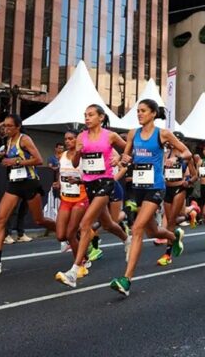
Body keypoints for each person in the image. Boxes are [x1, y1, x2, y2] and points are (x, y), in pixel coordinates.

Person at [108, 99, 188, 296]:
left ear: (153, 113)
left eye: (143, 111)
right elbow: (127, 158)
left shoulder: (162, 134)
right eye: (138, 111)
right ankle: (174, 236)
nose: (139, 114)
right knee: (153, 232)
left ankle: (126, 280)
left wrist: (174, 158)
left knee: (137, 229)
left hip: (156, 187)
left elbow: (185, 151)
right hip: (138, 186)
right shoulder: (133, 133)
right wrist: (121, 159)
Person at [56, 105, 128, 287]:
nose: (87, 118)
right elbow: (75, 162)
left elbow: (128, 148)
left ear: (101, 117)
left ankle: (74, 271)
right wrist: (79, 151)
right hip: (88, 184)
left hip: (105, 182)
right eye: (85, 115)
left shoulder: (109, 135)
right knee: (107, 223)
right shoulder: (81, 137)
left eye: (91, 115)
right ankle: (128, 239)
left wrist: (119, 159)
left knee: (85, 224)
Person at [0, 114, 57, 274]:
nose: (6, 129)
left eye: (9, 126)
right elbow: (0, 131)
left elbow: (38, 159)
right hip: (14, 183)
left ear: (18, 127)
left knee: (39, 220)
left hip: (29, 182)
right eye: (4, 126)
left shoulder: (24, 139)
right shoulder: (8, 141)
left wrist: (16, 162)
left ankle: (66, 232)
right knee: (0, 219)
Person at [52, 130, 89, 282]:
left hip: (80, 197)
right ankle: (83, 251)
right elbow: (60, 173)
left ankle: (80, 264)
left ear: (77, 140)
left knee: (70, 233)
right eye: (66, 139)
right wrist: (58, 183)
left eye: (71, 138)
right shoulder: (63, 155)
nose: (67, 141)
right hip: (66, 198)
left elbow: (90, 178)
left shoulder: (83, 157)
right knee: (61, 235)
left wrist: (79, 182)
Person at [158, 131, 197, 266]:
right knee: (170, 220)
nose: (171, 143)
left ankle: (167, 254)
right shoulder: (165, 155)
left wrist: (189, 182)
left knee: (171, 221)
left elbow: (195, 175)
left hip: (179, 189)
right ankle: (188, 216)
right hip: (167, 189)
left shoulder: (186, 157)